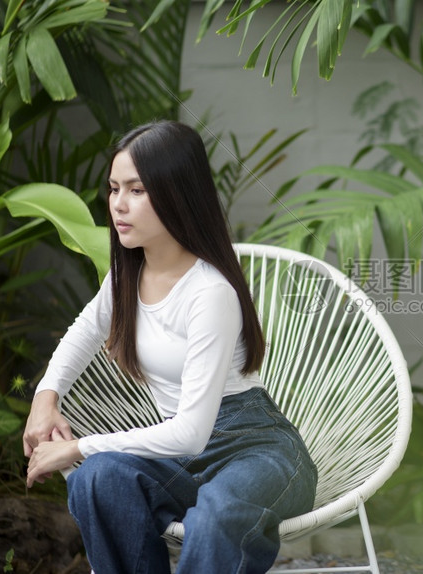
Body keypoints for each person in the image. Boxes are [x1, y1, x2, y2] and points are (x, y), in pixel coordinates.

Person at [22, 120, 318, 573]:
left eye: (137, 190)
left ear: (177, 193)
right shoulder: (126, 275)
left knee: (217, 513)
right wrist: (46, 398)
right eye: (114, 188)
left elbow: (192, 431)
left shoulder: (209, 292)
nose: (119, 205)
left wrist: (79, 446)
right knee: (98, 481)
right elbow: (84, 331)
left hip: (256, 450)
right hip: (181, 458)